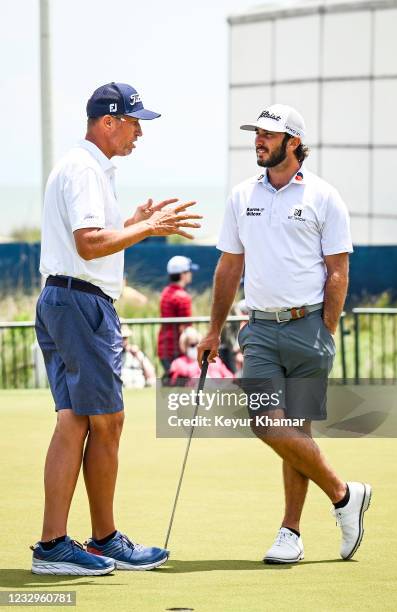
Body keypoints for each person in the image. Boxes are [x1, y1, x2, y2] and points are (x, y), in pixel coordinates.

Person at [33, 81, 202, 575]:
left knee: (74, 420)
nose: (138, 134)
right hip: (80, 303)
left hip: (66, 299)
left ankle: (57, 543)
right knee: (106, 420)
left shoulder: (85, 169)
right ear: (107, 121)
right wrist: (148, 228)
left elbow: (93, 239)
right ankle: (96, 540)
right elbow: (89, 245)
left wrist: (132, 220)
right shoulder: (85, 169)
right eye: (134, 123)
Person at [198, 103, 371, 564]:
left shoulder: (323, 196)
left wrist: (325, 330)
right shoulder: (241, 196)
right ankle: (343, 494)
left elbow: (338, 270)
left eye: (269, 134)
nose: (259, 139)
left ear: (294, 142)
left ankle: (290, 534)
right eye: (257, 132)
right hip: (259, 329)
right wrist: (213, 328)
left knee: (297, 428)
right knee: (264, 420)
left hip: (308, 326)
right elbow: (229, 265)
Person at [157, 255, 198, 374]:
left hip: (164, 348)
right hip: (177, 350)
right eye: (189, 271)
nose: (191, 274)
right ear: (182, 274)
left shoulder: (165, 292)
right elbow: (185, 328)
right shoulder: (183, 297)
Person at [169, 327, 234, 386]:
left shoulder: (214, 359)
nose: (196, 347)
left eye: (198, 343)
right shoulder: (178, 363)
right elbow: (174, 382)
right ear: (185, 346)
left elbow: (229, 376)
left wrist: (223, 385)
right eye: (192, 345)